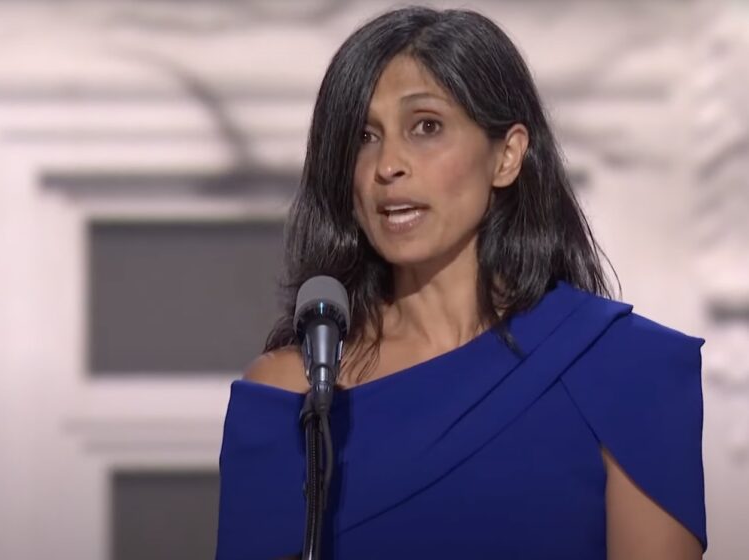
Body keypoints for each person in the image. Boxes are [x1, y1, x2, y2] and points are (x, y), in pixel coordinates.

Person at [216, 6, 705, 559]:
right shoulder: (294, 392)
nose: (388, 165)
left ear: (507, 155)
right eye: (364, 136)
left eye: (426, 127)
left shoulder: (625, 366)